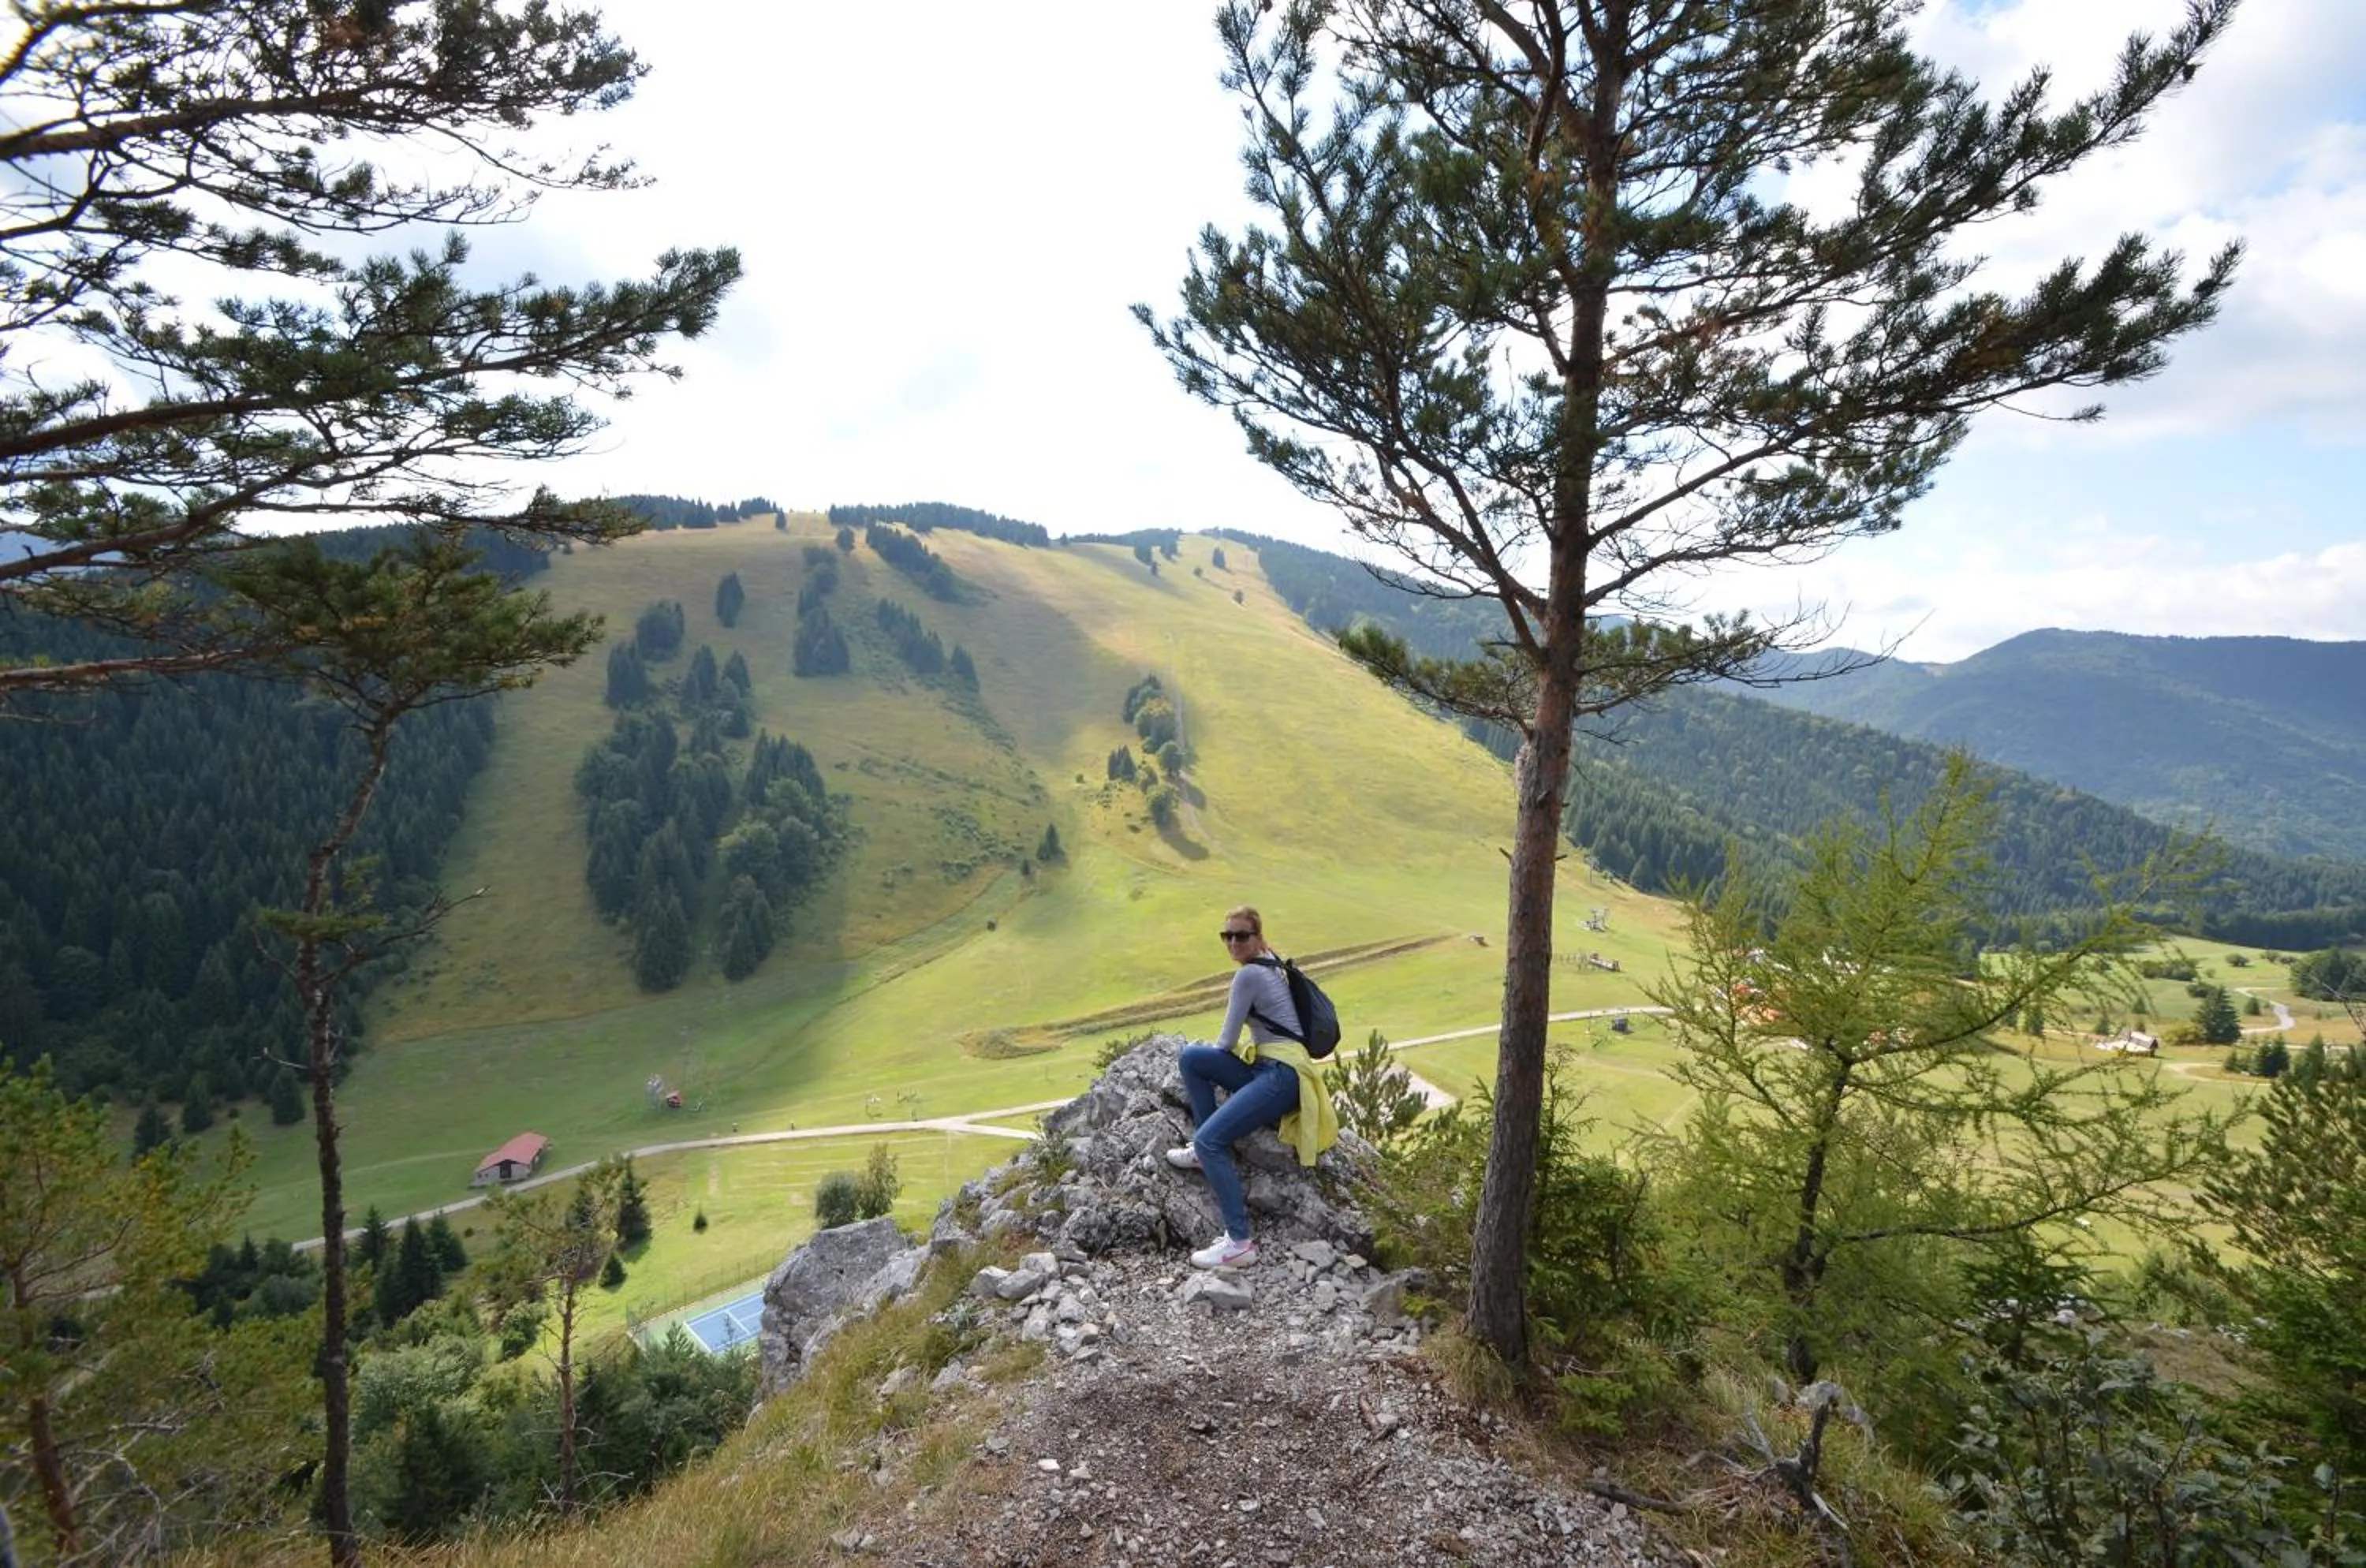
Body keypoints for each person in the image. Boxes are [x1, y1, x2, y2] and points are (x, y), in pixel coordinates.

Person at [1166, 905, 1339, 1269]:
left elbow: (1227, 1041)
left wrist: (1223, 1054)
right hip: (1272, 1069)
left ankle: (1239, 1243)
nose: (1232, 943)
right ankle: (1204, 1152)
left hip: (1282, 1076)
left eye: (1241, 936)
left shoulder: (1248, 977)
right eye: (1226, 936)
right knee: (1191, 1058)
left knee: (1209, 1140)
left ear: (1257, 937)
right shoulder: (1271, 960)